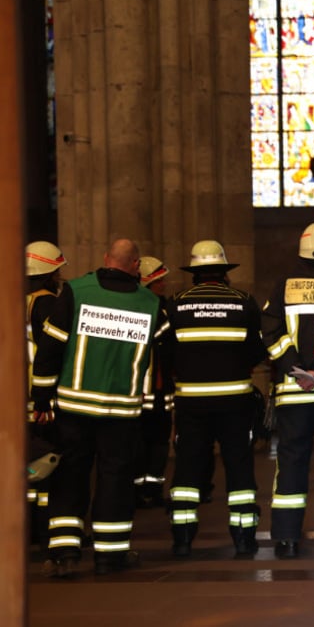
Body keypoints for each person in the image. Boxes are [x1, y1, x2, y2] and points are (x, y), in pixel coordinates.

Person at [32, 239, 163, 577]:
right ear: (135, 265)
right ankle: (110, 555)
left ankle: (64, 551)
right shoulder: (150, 303)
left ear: (106, 259)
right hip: (121, 410)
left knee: (70, 475)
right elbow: (163, 347)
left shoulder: (76, 291)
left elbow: (51, 346)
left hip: (74, 405)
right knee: (115, 479)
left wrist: (42, 397)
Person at [165, 241, 266, 558]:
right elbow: (257, 351)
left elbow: (165, 353)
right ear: (225, 273)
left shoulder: (176, 305)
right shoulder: (244, 302)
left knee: (187, 469)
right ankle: (244, 538)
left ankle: (182, 539)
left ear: (194, 274)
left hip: (191, 403)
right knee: (239, 466)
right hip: (235, 401)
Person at [263, 221, 314, 559]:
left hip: (293, 392)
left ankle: (286, 539)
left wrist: (296, 369)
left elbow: (270, 332)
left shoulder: (284, 285)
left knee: (291, 463)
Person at [25, 241, 68, 546]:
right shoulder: (49, 304)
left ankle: (24, 526)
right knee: (50, 464)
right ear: (49, 272)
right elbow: (55, 351)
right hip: (41, 394)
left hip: (13, 397)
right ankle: (46, 528)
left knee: (24, 464)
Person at [133, 256, 174, 509]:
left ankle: (152, 488)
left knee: (157, 444)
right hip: (146, 390)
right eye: (159, 280)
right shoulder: (154, 309)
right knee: (143, 443)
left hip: (157, 390)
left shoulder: (159, 307)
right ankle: (141, 490)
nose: (164, 284)